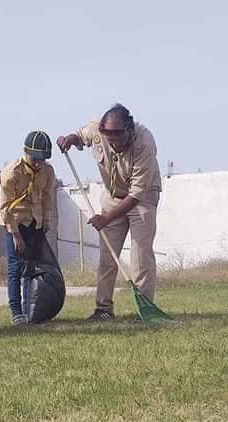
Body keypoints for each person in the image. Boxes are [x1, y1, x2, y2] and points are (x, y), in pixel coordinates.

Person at [57, 103, 161, 320]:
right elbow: (79, 136)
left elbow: (136, 194)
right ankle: (103, 309)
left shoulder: (145, 143)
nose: (112, 139)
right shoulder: (97, 129)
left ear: (129, 129)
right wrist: (69, 140)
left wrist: (106, 218)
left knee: (140, 256)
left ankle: (144, 310)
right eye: (108, 134)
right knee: (107, 257)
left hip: (142, 198)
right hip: (113, 196)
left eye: (117, 134)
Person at [0, 131, 55, 325]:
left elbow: (47, 196)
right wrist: (16, 236)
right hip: (15, 223)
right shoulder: (11, 173)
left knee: (31, 268)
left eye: (43, 159)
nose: (38, 163)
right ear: (25, 151)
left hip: (35, 223)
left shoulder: (47, 171)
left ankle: (29, 310)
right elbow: (5, 208)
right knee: (15, 269)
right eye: (35, 158)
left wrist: (46, 220)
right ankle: (16, 313)